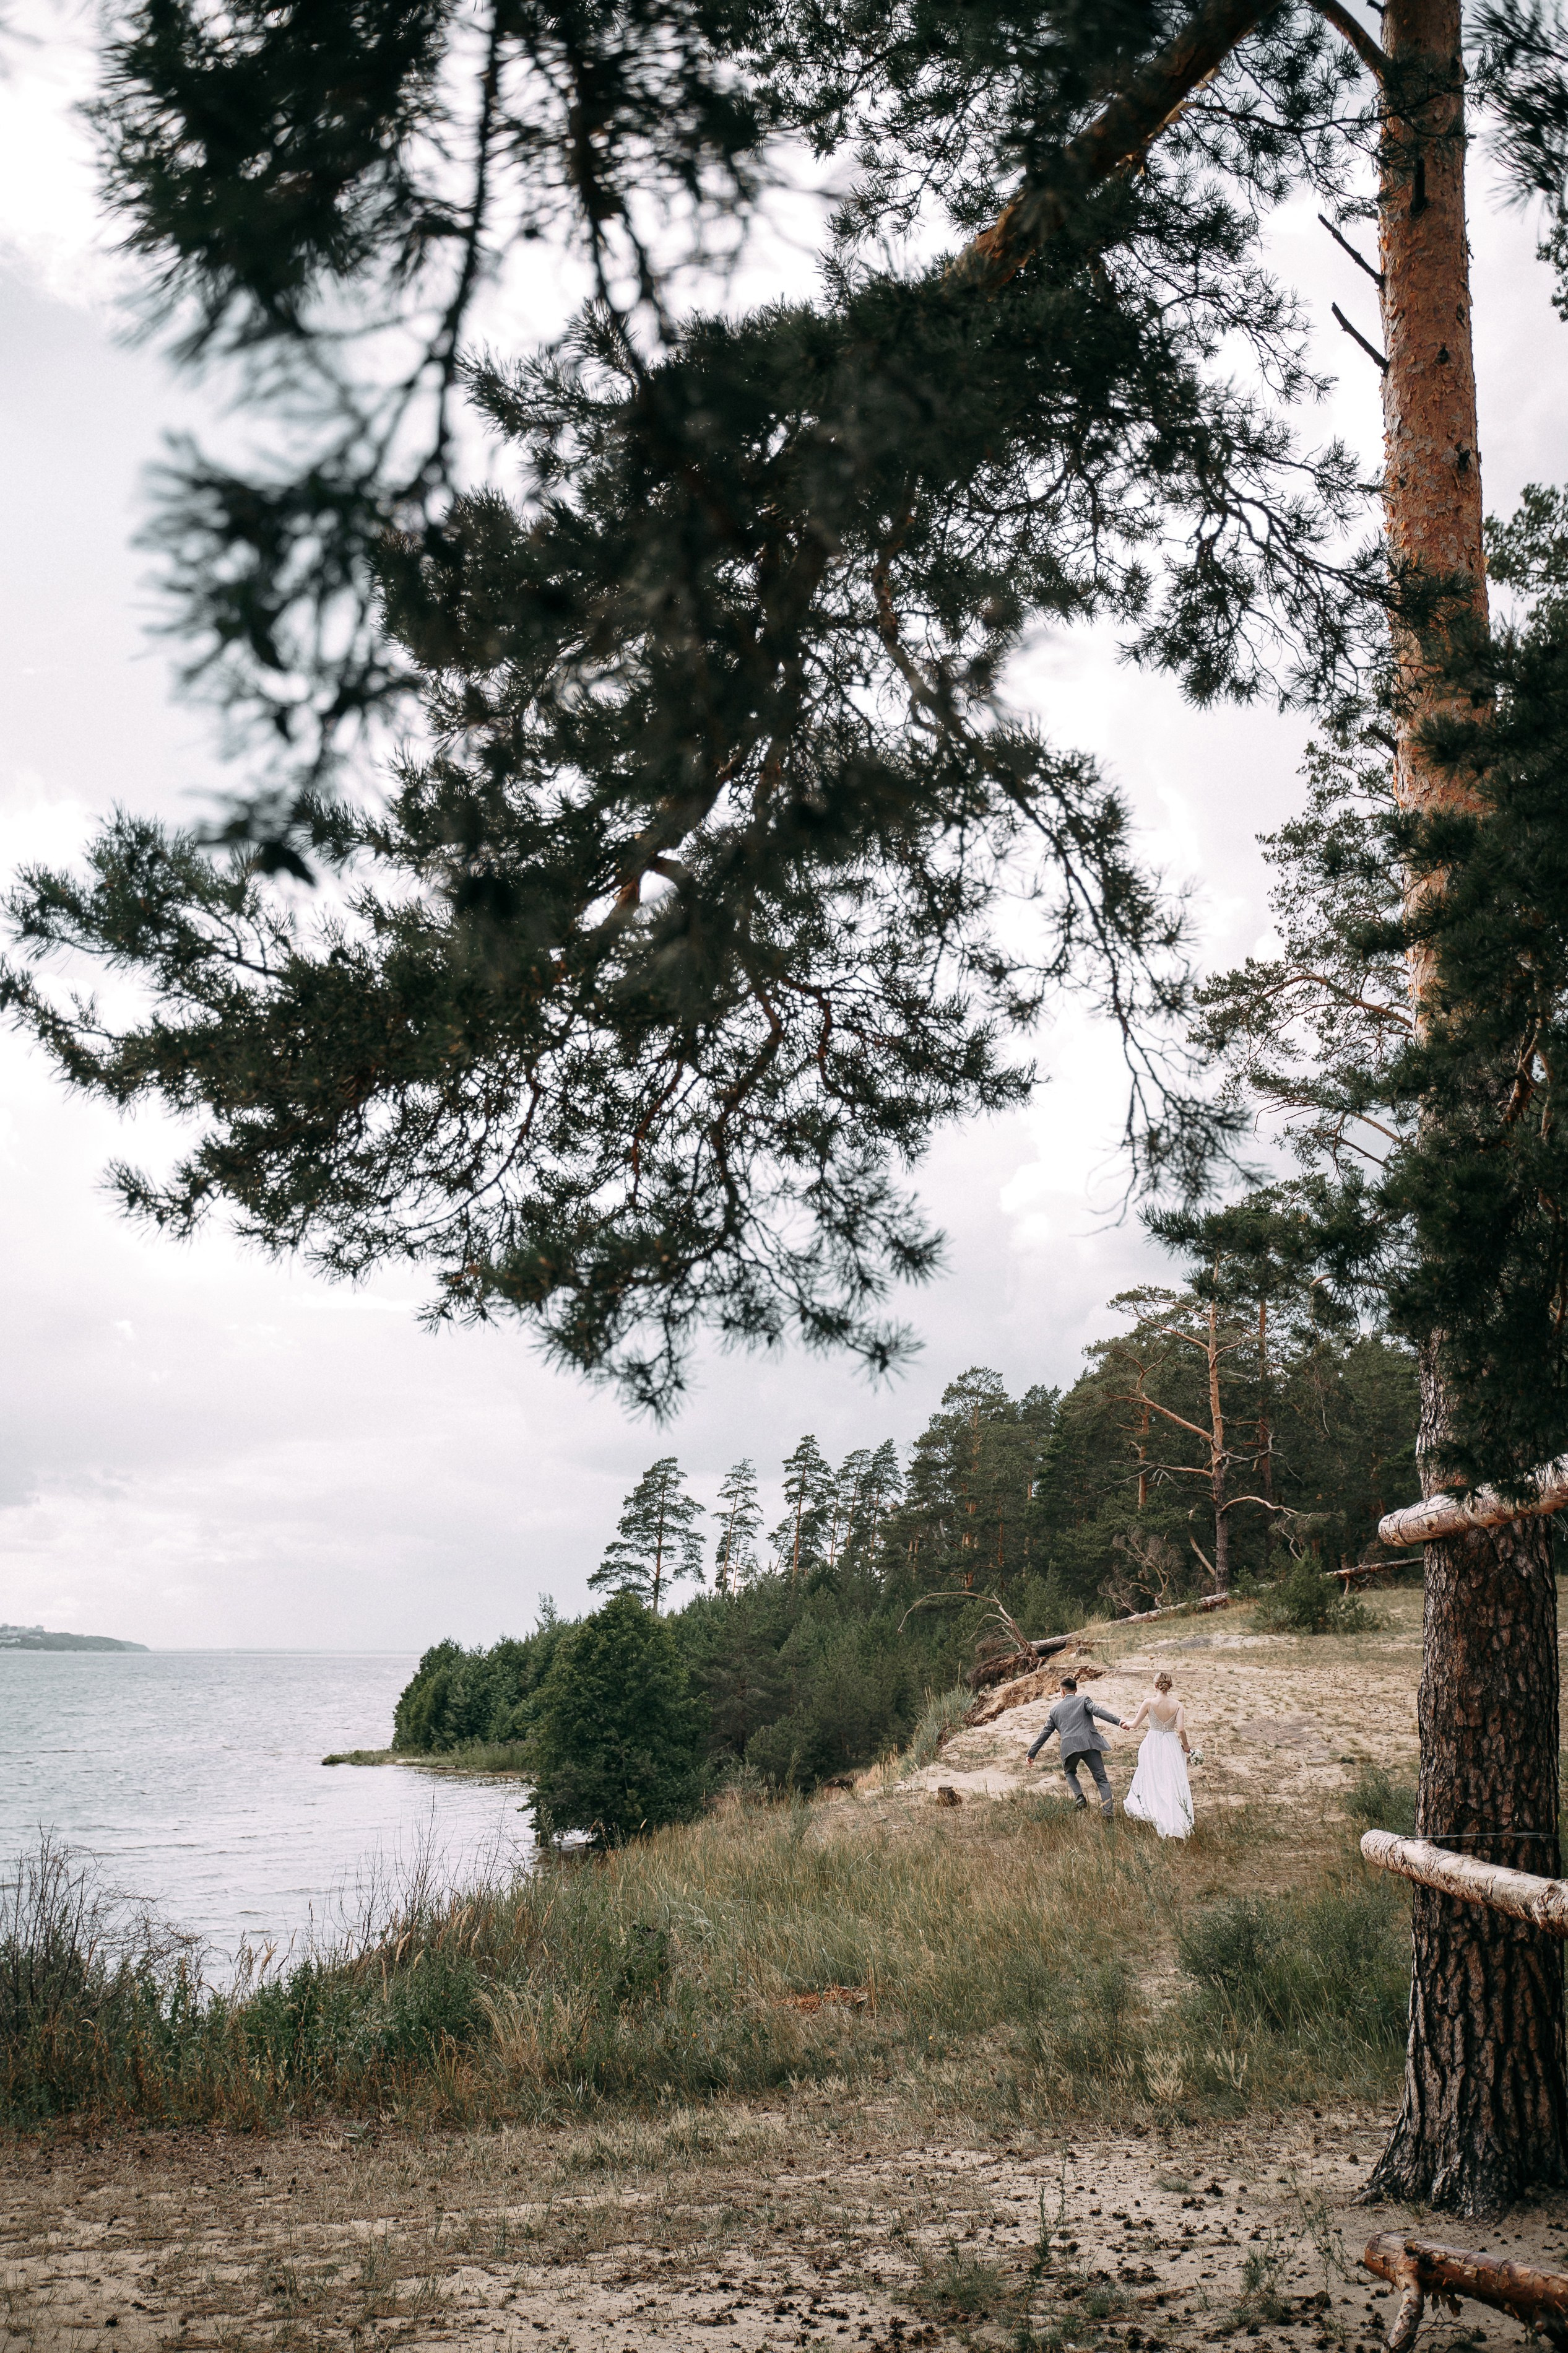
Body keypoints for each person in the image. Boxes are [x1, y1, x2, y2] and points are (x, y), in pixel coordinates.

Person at [1026, 1676, 1128, 1819]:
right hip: (1090, 1744)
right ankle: (1107, 1814)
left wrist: (1031, 1754)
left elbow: (1044, 1734)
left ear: (1062, 1692)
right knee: (1102, 1780)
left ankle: (1079, 1796)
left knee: (1069, 1773)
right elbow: (1098, 1711)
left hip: (1069, 1747)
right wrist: (1119, 1722)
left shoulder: (1054, 1711)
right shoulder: (1084, 1700)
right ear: (1076, 1690)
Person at [1121, 1671, 1195, 1840]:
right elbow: (1181, 1729)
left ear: (1155, 1686)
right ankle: (1172, 1816)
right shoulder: (1178, 1705)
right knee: (1171, 1780)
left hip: (1152, 1742)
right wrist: (1186, 1746)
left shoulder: (1149, 1703)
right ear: (1170, 1686)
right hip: (1170, 1742)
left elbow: (1135, 1724)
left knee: (1152, 1778)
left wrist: (1125, 1724)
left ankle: (1154, 1812)